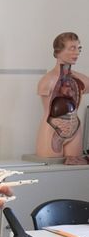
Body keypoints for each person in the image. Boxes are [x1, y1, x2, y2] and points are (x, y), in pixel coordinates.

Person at [35, 32, 89, 164]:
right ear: (58, 51)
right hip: (53, 129)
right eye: (72, 48)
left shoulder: (82, 79)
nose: (76, 53)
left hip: (75, 129)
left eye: (78, 48)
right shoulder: (48, 81)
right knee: (52, 170)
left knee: (74, 172)